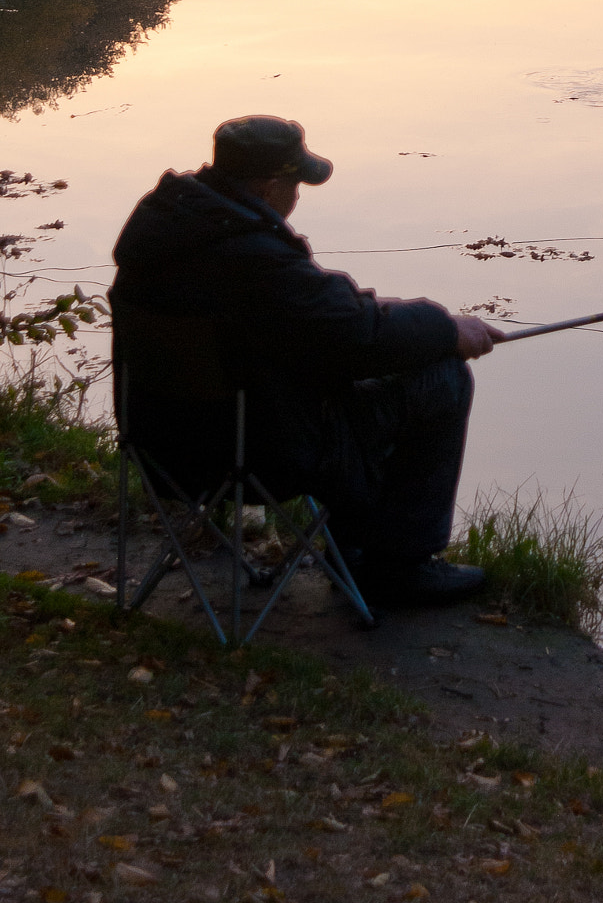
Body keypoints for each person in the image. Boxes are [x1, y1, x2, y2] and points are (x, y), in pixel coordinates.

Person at [110, 116, 501, 608]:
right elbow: (354, 336)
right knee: (440, 379)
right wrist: (445, 329)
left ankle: (356, 553)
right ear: (270, 186)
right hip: (251, 455)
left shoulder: (165, 223)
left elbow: (322, 322)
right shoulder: (254, 258)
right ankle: (400, 566)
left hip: (159, 445)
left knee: (357, 381)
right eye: (295, 184)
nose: (297, 197)